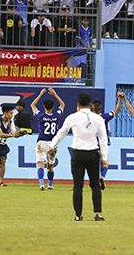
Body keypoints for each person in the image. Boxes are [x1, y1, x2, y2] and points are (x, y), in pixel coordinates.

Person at [49, 92, 109, 221]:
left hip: (77, 154)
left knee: (77, 186)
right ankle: (97, 213)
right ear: (91, 105)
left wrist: (52, 145)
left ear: (78, 105)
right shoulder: (98, 118)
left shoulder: (72, 117)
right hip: (93, 153)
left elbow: (61, 133)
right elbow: (103, 139)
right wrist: (105, 158)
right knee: (95, 185)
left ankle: (78, 215)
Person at [31, 88, 66, 191]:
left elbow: (32, 105)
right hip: (52, 144)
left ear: (44, 107)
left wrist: (41, 94)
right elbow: (63, 105)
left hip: (42, 142)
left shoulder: (40, 116)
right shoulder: (56, 116)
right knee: (50, 166)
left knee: (41, 164)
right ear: (53, 107)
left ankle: (41, 184)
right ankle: (50, 185)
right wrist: (55, 94)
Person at [0, 104, 23, 187]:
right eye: (11, 113)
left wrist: (20, 134)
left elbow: (14, 133)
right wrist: (13, 135)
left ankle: (0, 182)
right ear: (5, 113)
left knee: (3, 161)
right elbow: (0, 134)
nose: (12, 115)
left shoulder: (10, 122)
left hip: (2, 144)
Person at [93, 97, 122, 189]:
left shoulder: (90, 118)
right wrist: (120, 98)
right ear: (101, 107)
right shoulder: (105, 117)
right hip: (103, 145)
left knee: (93, 165)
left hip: (92, 145)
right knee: (105, 163)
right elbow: (117, 110)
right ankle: (102, 177)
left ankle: (96, 181)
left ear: (92, 108)